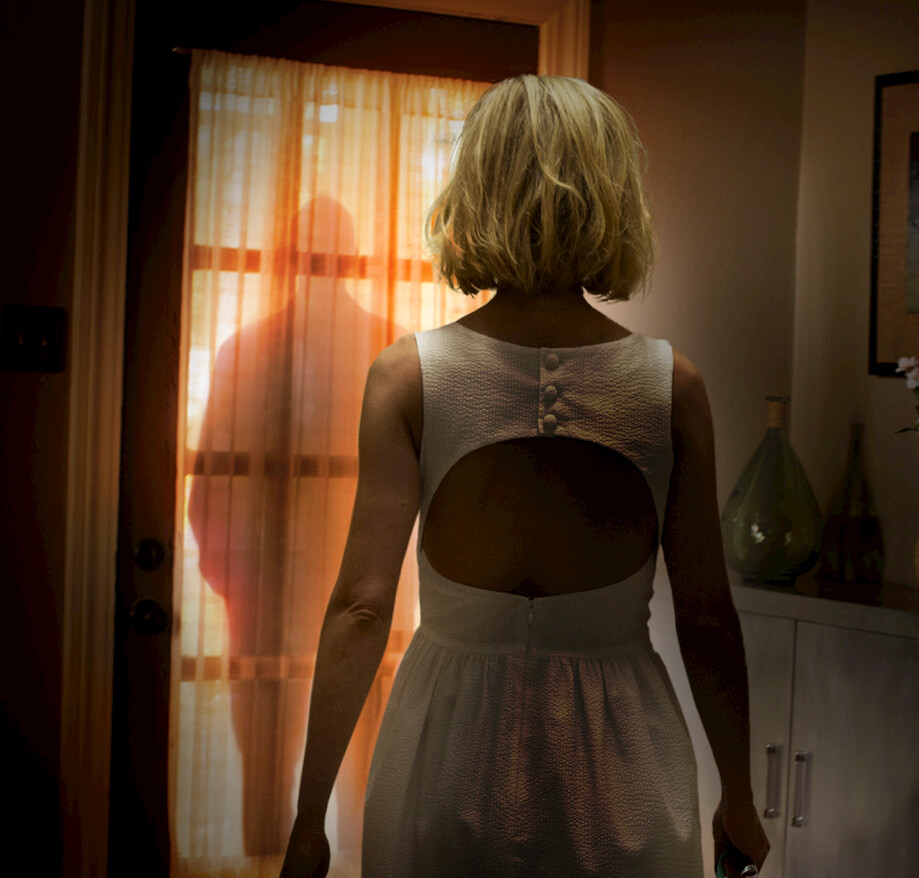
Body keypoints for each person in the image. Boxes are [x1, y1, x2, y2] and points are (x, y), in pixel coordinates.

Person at [278, 75, 769, 877]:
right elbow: (708, 616)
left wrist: (309, 820)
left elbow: (362, 607)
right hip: (623, 764)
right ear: (613, 199)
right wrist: (739, 799)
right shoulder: (671, 387)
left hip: (448, 750)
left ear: (476, 192)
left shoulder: (407, 378)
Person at [189, 196, 414, 860]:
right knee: (279, 784)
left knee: (361, 780)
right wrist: (243, 588)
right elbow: (211, 492)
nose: (320, 270)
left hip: (360, 601)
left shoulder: (391, 352)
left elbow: (208, 494)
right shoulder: (385, 351)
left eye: (328, 257)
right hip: (284, 603)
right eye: (314, 256)